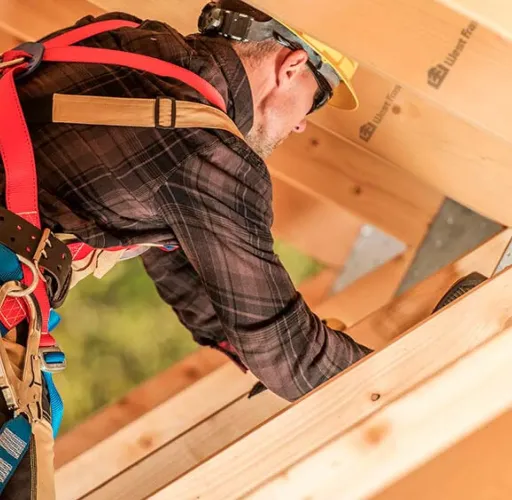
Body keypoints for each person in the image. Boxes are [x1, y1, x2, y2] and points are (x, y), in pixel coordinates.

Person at [0, 1, 372, 496]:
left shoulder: (121, 40)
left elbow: (166, 249)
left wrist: (232, 339)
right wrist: (396, 372)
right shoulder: (209, 152)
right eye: (316, 100)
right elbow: (289, 352)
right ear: (292, 66)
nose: (304, 125)